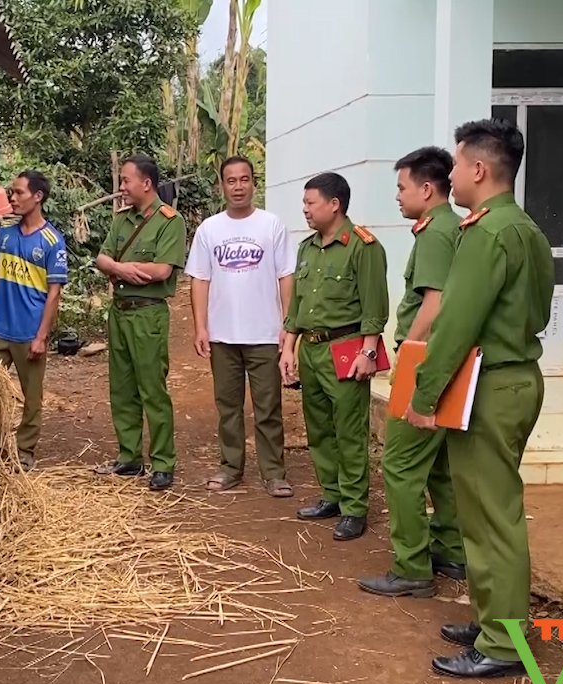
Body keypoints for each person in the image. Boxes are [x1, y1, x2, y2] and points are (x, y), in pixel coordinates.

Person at [405, 118, 553, 679]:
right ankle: (495, 619)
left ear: (479, 170)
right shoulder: (524, 228)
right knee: (484, 511)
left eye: (458, 163)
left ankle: (504, 644)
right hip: (509, 378)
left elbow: (457, 322)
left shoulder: (487, 232)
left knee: (493, 518)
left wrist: (424, 393)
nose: (452, 172)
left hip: (490, 384)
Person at [357, 147, 468, 599]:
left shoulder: (437, 232)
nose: (398, 197)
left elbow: (435, 302)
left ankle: (412, 567)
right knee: (437, 463)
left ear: (427, 188)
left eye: (402, 187)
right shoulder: (446, 227)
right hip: (439, 356)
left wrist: (409, 349)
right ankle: (449, 548)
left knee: (401, 463)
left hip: (426, 358)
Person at [280, 172, 388, 541]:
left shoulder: (363, 246)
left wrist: (368, 351)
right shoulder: (307, 248)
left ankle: (355, 507)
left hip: (346, 347)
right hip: (310, 348)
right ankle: (333, 495)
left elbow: (375, 305)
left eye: (311, 203)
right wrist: (288, 346)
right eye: (305, 203)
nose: (305, 210)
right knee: (320, 428)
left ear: (334, 204)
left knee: (349, 430)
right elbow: (297, 304)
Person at [186, 156, 295, 498]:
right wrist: (200, 327)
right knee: (228, 406)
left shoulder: (272, 225)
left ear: (253, 183)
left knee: (268, 407)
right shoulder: (209, 229)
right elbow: (199, 280)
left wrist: (288, 326)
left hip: (265, 334)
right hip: (222, 335)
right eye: (231, 181)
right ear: (222, 185)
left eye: (244, 179)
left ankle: (273, 472)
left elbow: (286, 276)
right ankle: (231, 467)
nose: (238, 187)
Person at [94, 154, 188, 491]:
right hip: (119, 312)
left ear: (146, 183)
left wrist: (124, 268)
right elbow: (103, 257)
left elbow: (163, 270)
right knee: (121, 389)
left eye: (125, 180)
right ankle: (130, 457)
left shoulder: (169, 221)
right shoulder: (121, 220)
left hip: (149, 314)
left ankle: (163, 462)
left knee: (152, 388)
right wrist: (122, 269)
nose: (121, 187)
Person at [0, 170, 68, 471]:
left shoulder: (53, 241)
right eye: (11, 192)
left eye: (18, 193)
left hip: (30, 333)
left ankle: (25, 451)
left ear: (37, 197)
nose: (12, 198)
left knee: (32, 398)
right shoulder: (4, 234)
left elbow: (54, 293)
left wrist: (41, 336)